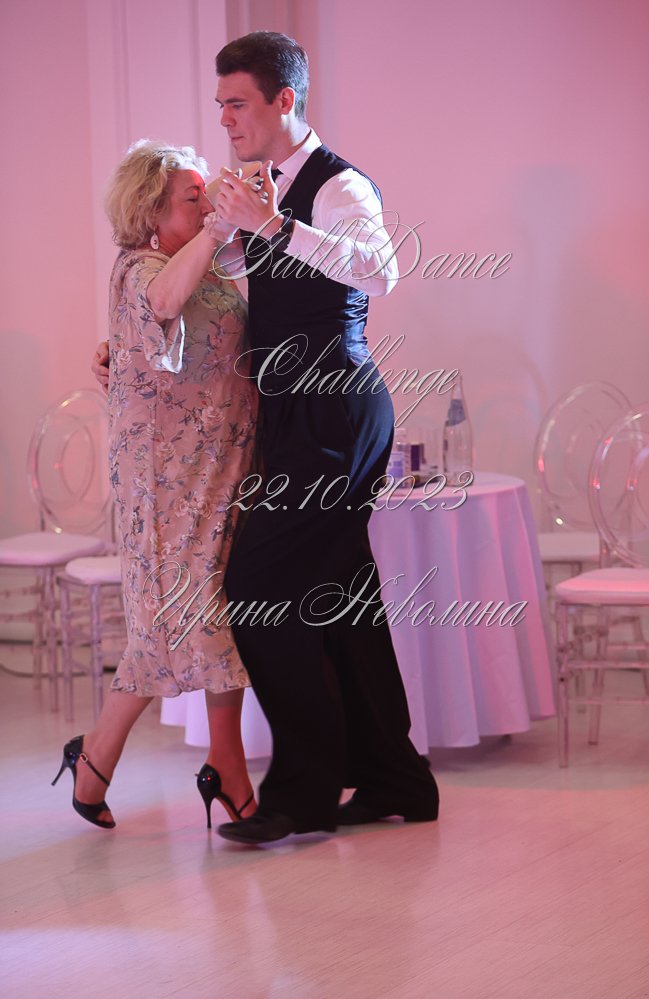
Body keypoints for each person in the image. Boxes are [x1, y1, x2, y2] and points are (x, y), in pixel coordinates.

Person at [208, 32, 439, 844]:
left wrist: (273, 225)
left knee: (257, 591)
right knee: (341, 598)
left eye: (238, 103)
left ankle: (303, 794)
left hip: (336, 410)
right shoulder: (260, 187)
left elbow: (381, 271)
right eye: (220, 105)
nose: (226, 118)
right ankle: (394, 778)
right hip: (294, 414)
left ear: (284, 101)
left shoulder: (338, 184)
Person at [54, 140, 258, 830]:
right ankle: (227, 766)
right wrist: (215, 231)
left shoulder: (208, 261)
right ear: (150, 211)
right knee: (200, 610)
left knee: (183, 618)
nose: (206, 203)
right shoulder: (139, 267)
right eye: (192, 196)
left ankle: (95, 759)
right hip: (165, 478)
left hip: (221, 462)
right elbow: (161, 303)